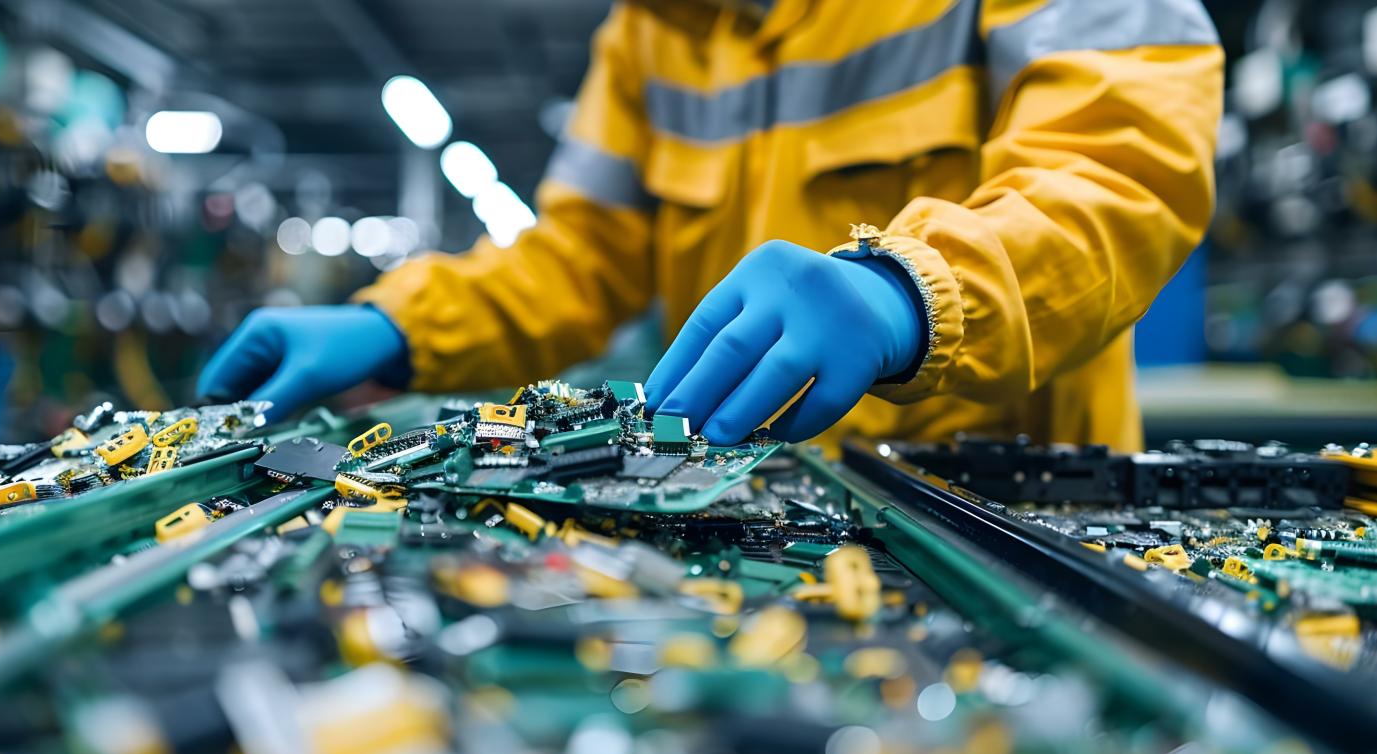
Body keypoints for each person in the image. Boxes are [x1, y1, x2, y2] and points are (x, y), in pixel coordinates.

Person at [199, 0, 1223, 452]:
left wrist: (910, 292)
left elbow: (1123, 168)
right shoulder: (650, 29)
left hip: (993, 517)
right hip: (731, 509)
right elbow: (577, 258)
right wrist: (399, 327)